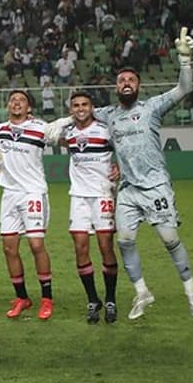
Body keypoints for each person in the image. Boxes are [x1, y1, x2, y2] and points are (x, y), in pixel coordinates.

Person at [93, 27, 193, 319]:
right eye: (121, 80)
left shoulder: (152, 107)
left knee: (169, 240)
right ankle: (142, 292)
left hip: (155, 187)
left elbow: (183, 89)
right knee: (124, 240)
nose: (126, 83)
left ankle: (192, 293)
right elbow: (82, 112)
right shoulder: (108, 114)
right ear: (116, 88)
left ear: (138, 86)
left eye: (131, 79)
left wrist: (185, 60)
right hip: (128, 189)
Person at [0, 91, 73, 320]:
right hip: (9, 194)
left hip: (33, 194)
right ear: (8, 106)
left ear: (29, 107)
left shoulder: (41, 128)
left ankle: (46, 298)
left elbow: (68, 142)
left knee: (36, 245)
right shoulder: (0, 129)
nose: (16, 103)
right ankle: (22, 298)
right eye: (13, 100)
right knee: (9, 248)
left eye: (22, 100)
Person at [61, 91, 120, 324]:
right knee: (80, 247)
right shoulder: (68, 132)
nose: (80, 108)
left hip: (103, 194)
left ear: (92, 107)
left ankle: (111, 298)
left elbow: (124, 149)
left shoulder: (105, 129)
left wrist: (120, 167)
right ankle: (93, 299)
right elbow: (48, 134)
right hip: (78, 197)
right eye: (75, 105)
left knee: (106, 246)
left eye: (84, 104)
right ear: (71, 109)